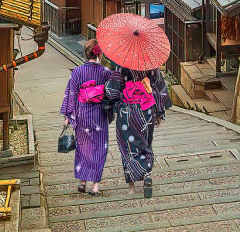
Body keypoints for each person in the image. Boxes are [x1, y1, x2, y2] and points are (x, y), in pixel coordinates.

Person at [105, 60, 170, 197]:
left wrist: (114, 105)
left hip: (127, 111)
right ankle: (147, 175)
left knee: (127, 146)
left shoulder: (121, 65)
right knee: (145, 143)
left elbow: (112, 92)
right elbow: (159, 89)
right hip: (145, 110)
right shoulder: (151, 65)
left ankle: (131, 187)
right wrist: (158, 112)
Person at [59, 41, 115, 195]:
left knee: (83, 147)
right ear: (99, 54)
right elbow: (111, 94)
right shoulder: (105, 72)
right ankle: (95, 186)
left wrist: (68, 116)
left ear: (86, 54)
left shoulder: (77, 71)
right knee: (99, 148)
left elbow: (71, 94)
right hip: (98, 114)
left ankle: (82, 182)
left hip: (82, 113)